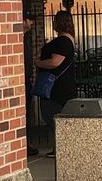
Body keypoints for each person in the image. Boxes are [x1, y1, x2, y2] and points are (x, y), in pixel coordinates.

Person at [33, 10, 78, 148]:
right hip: (64, 85)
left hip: (55, 87)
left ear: (59, 22)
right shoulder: (69, 39)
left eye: (55, 20)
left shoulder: (62, 41)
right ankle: (60, 146)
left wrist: (38, 62)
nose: (53, 23)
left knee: (51, 115)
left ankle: (60, 147)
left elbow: (55, 62)